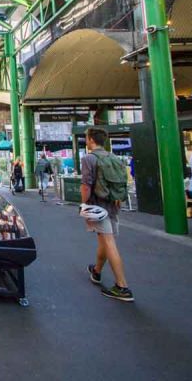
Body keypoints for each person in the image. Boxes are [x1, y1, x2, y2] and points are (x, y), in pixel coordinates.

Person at [81, 127, 133, 302]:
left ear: (91, 140)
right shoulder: (114, 158)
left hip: (98, 206)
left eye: (87, 138)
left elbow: (86, 185)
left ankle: (122, 286)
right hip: (113, 204)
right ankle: (96, 271)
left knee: (109, 242)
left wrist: (84, 204)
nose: (86, 141)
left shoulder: (89, 158)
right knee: (104, 239)